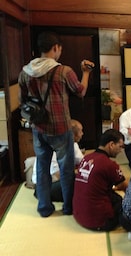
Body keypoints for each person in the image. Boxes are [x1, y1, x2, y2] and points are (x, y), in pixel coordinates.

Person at [18, 31, 94, 217]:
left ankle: (44, 208)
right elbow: (80, 91)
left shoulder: (25, 72)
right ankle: (67, 207)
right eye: (59, 49)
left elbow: (23, 101)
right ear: (55, 48)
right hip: (60, 128)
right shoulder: (63, 71)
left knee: (42, 166)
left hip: (38, 128)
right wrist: (85, 72)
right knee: (66, 169)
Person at [73, 129, 128, 231]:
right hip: (100, 222)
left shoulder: (86, 158)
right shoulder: (109, 164)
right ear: (111, 144)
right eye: (120, 147)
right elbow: (125, 187)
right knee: (126, 205)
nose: (121, 151)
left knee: (114, 197)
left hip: (78, 215)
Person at [32, 119, 84, 202]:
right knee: (78, 183)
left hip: (60, 180)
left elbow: (82, 161)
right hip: (46, 184)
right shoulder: (55, 146)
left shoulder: (73, 144)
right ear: (73, 134)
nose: (82, 134)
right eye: (81, 131)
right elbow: (58, 175)